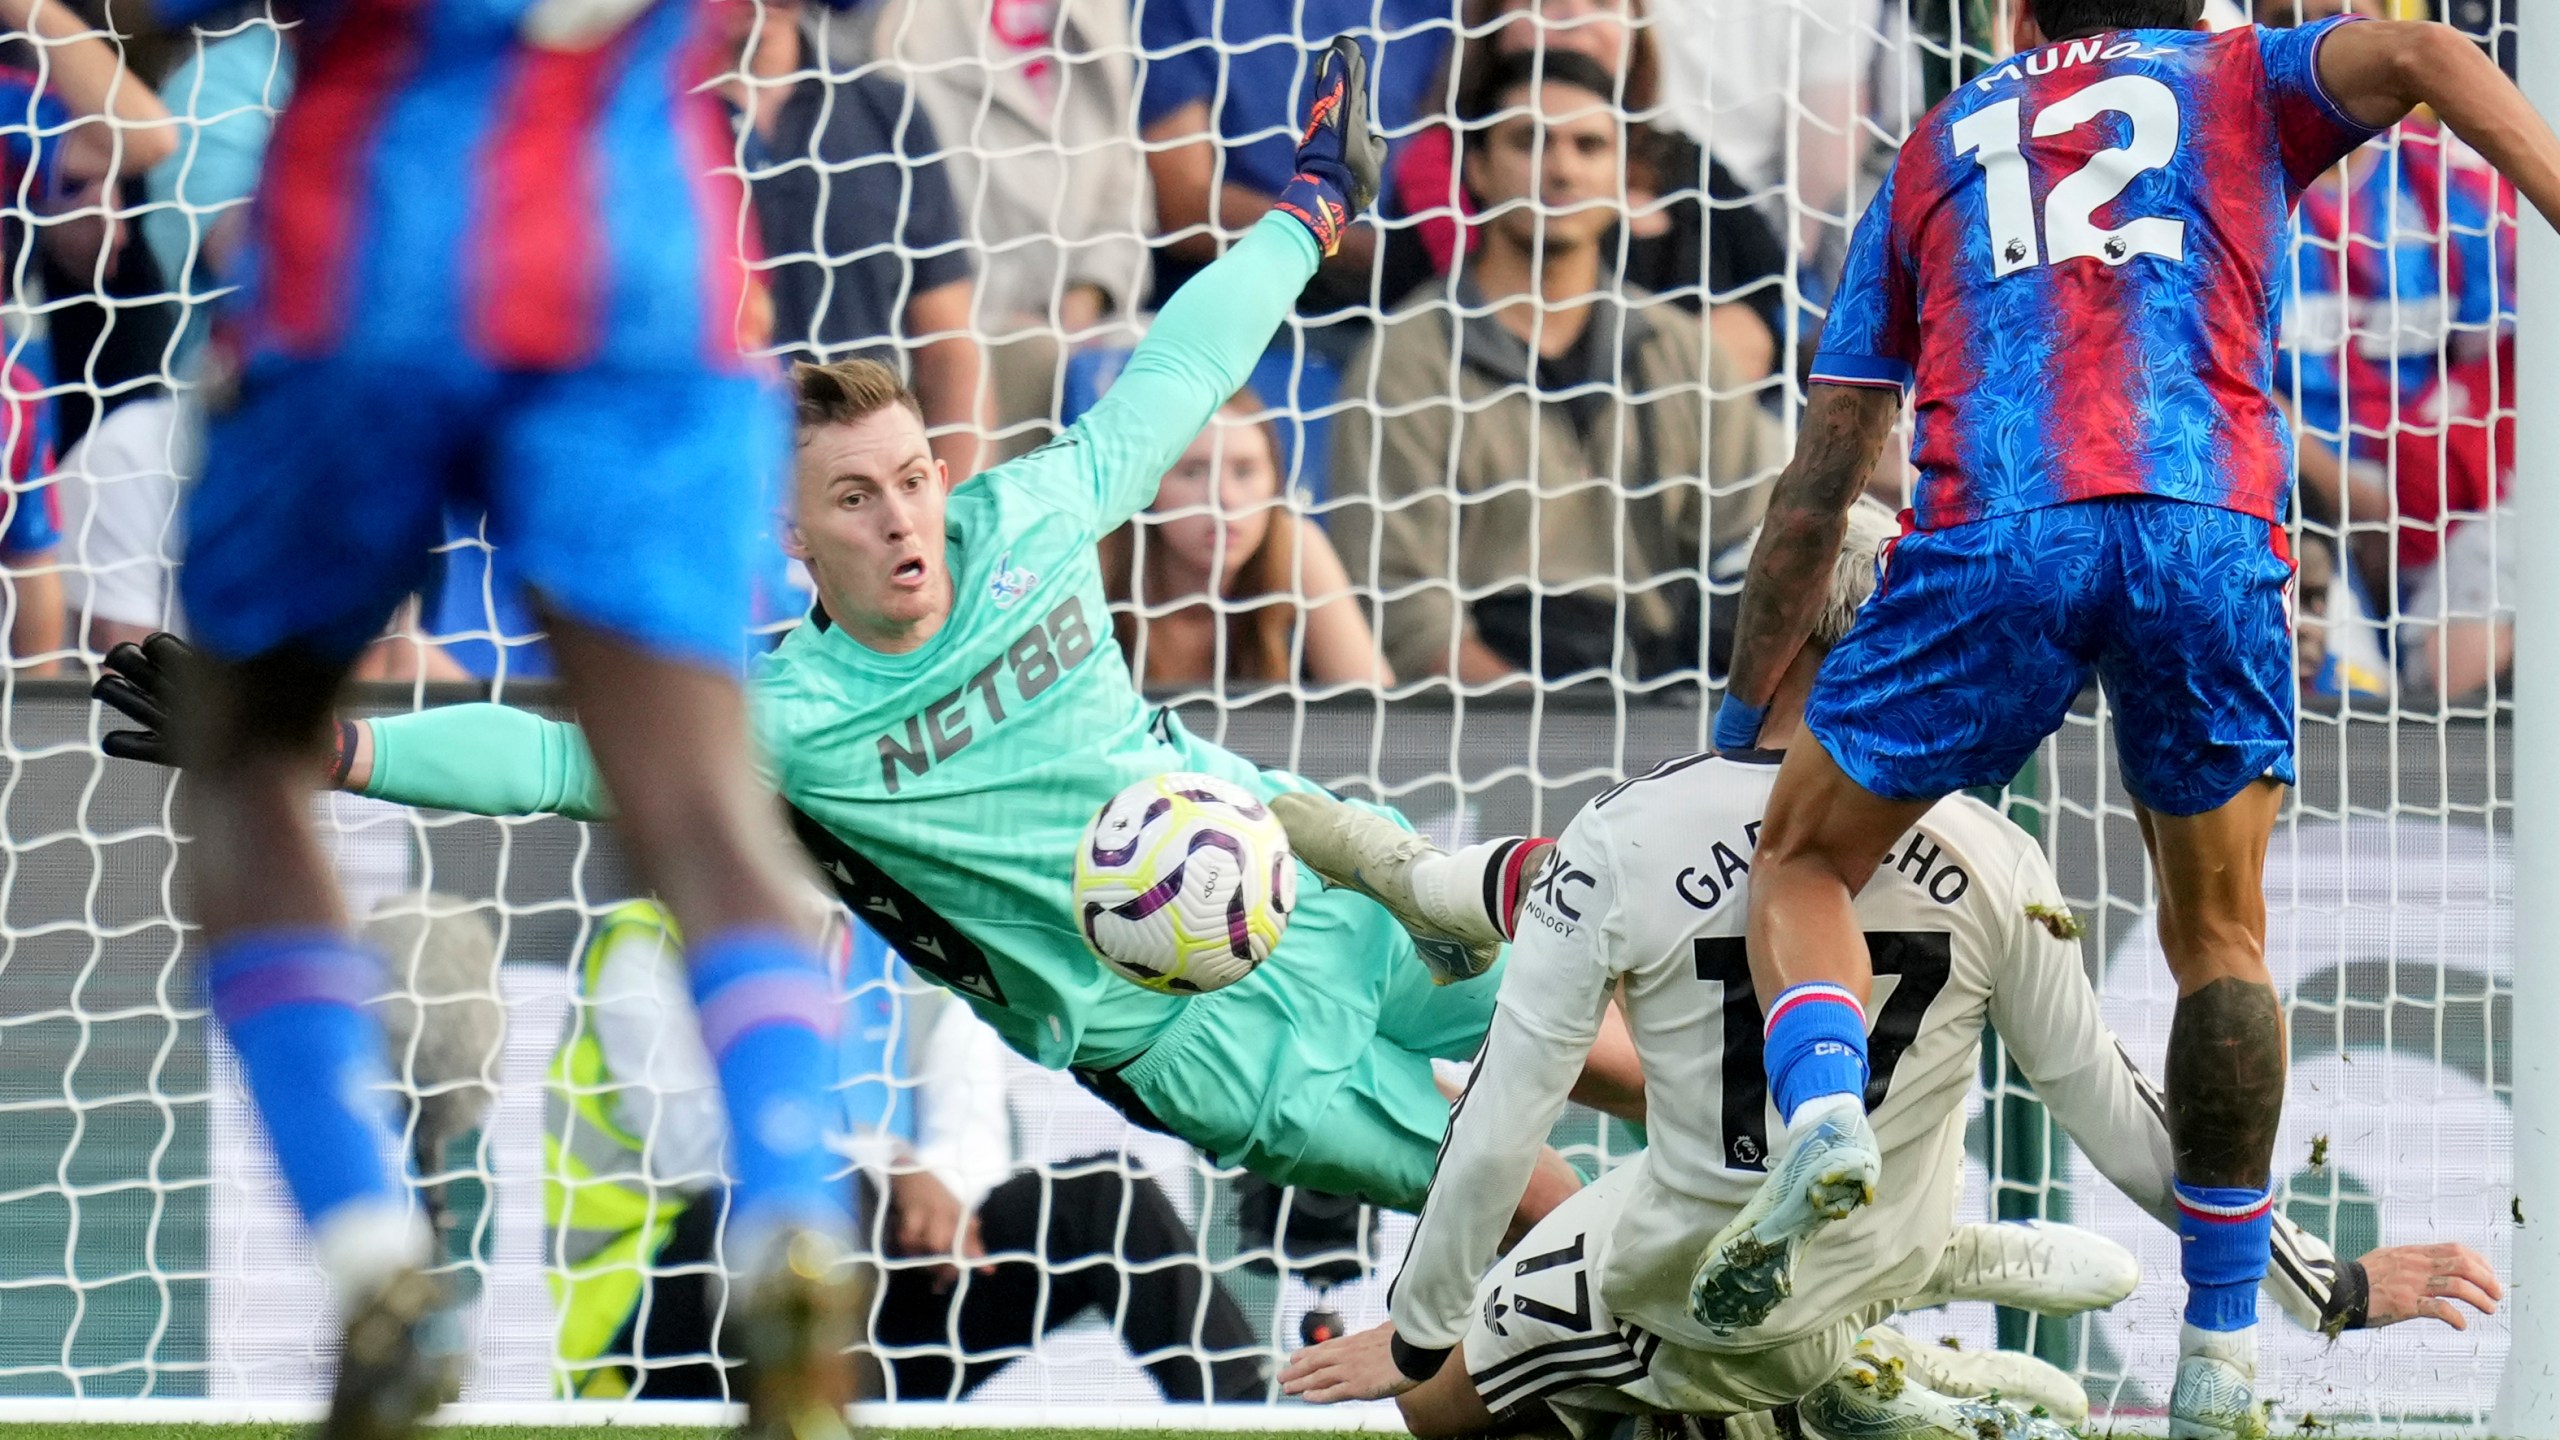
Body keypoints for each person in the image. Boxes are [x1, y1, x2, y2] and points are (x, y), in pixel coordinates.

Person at [96, 44, 1630, 1231]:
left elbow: (1177, 368)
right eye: (855, 499)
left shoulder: (1027, 522)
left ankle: (1803, 1194)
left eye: (910, 479)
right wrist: (335, 738)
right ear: (793, 535)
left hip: (1283, 877)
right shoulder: (793, 714)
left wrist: (1305, 218)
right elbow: (558, 761)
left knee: (1612, 1035)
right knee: (1526, 1208)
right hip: (1174, 1035)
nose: (903, 519)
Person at [1706, 7, 2560, 1437]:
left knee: (1799, 862)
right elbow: (2419, 55)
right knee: (2220, 941)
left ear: (2022, 14)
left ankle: (1826, 1112)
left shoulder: (1932, 146)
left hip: (2001, 532)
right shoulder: (2240, 75)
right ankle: (2222, 1351)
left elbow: (1824, 477)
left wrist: (1745, 704)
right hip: (2200, 523)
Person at [1271, 500, 2503, 1437]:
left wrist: (1419, 1334)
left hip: (1683, 1274)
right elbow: (2127, 1118)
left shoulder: (1626, 836)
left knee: (1437, 1410)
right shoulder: (1993, 853)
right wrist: (2326, 1286)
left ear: (1776, 620)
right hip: (1876, 1258)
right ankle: (1884, 1341)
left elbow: (1503, 1114)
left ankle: (1825, 1382)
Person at [130, 0, 875, 1430]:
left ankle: (374, 1268)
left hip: (367, 248)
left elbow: (164, 43)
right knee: (705, 804)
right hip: (640, 250)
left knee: (242, 765)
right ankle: (790, 1220)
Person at [547, 901, 1266, 1403]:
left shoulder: (906, 939)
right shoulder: (649, 943)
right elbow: (698, 1149)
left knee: (1105, 1199)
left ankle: (1254, 1420)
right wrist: (895, 1170)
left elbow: (974, 1126)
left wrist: (933, 1194)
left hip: (882, 1297)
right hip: (662, 1334)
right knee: (821, 1204)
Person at [1332, 49, 1786, 688]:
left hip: (1661, 704)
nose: (1562, 168)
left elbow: (1770, 527)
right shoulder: (1403, 365)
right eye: (1530, 141)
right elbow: (1407, 617)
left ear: (1624, 176)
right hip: (1477, 732)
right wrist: (1552, 734)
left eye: (1589, 145)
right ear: (1479, 170)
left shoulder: (1678, 351)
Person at [1379, 0, 1788, 380]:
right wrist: (1677, 366)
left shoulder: (1680, 158)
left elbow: (1773, 301)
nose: (1573, 16)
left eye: (1601, 2)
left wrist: (1748, 337)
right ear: (1491, 25)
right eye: (1541, 2)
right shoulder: (1441, 167)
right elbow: (1496, 331)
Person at [869, 0, 1156, 460]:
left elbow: (1125, 189)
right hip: (962, 321)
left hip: (1088, 321)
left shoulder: (1098, 11)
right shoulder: (902, 21)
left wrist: (1087, 294)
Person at [723, 0, 987, 482]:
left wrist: (950, 516)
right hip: (705, 483)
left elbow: (949, 346)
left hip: (867, 493)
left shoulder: (887, 112)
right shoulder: (634, 131)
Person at [1100, 387, 1391, 691]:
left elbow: (1378, 716)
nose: (1224, 498)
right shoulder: (1100, 563)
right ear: (1148, 488)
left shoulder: (1296, 547)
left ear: (1274, 483)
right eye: (1192, 472)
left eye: (1244, 471)